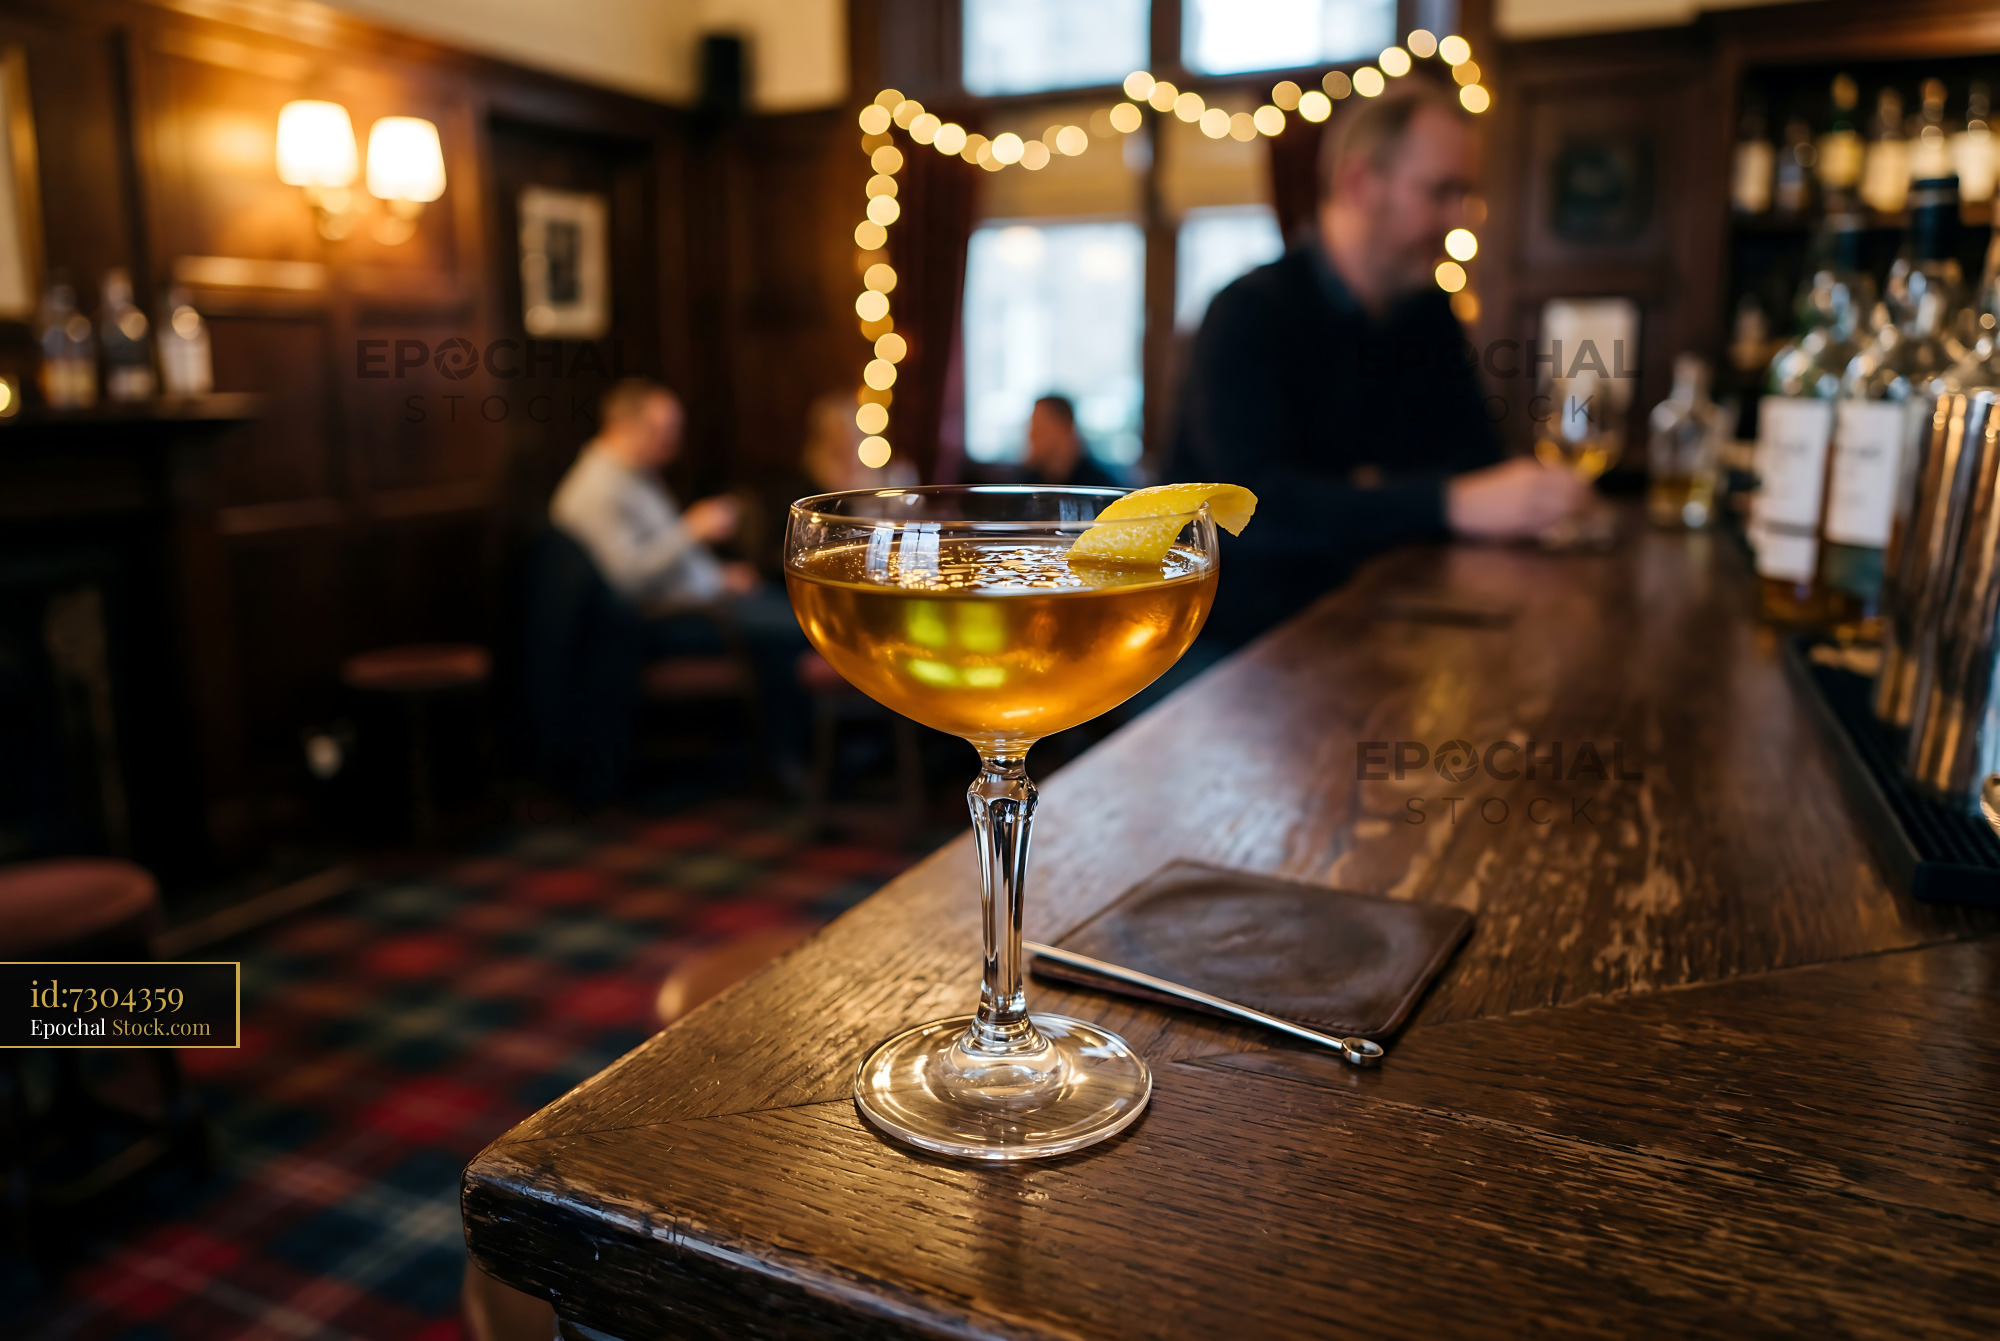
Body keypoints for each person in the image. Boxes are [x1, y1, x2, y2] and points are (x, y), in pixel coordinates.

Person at [1170, 79, 1591, 647]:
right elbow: (1248, 512)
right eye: (1440, 192)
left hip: (1389, 622)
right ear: (1360, 182)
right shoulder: (1249, 312)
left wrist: (1369, 495)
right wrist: (1441, 501)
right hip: (1242, 651)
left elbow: (1476, 461)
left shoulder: (1427, 315)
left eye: (1464, 194)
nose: (1459, 218)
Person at [549, 378, 809, 786]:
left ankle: (793, 757)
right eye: (662, 431)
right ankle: (789, 762)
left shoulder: (633, 474)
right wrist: (692, 529)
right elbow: (627, 580)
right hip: (665, 621)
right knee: (794, 629)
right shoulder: (597, 489)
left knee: (794, 613)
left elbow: (668, 562)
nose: (672, 443)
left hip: (704, 599)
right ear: (623, 425)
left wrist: (717, 575)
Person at [1020, 395, 1126, 489]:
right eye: (1031, 429)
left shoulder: (1101, 486)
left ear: (1065, 428)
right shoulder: (1026, 482)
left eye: (1040, 429)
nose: (1031, 436)